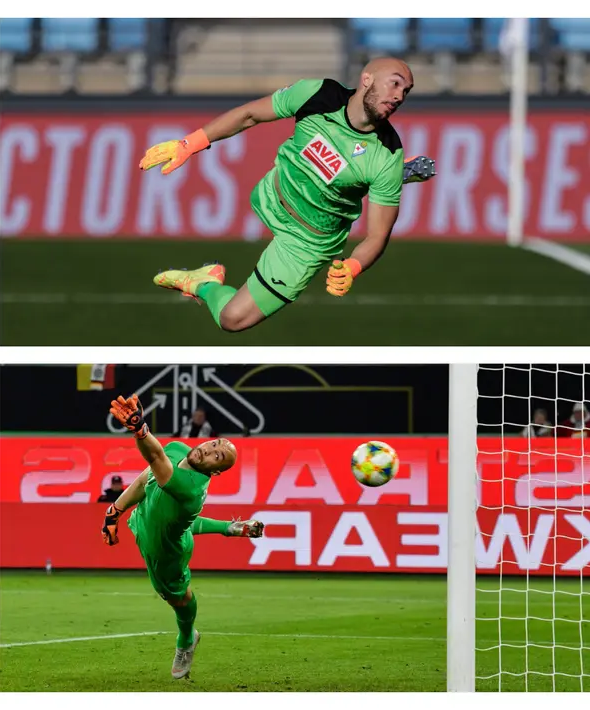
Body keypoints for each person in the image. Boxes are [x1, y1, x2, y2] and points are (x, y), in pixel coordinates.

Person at [140, 58, 437, 333]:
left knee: (233, 320)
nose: (399, 96)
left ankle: (202, 283)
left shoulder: (387, 154)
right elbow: (249, 115)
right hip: (272, 196)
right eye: (395, 83)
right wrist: (189, 143)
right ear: (366, 78)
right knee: (356, 172)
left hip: (308, 242)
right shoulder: (317, 94)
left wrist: (352, 267)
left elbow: (377, 237)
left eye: (406, 91)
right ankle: (382, 180)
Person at [102, 394, 264, 680]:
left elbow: (155, 456)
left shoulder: (190, 490)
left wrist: (141, 429)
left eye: (218, 456)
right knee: (173, 525)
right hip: (145, 522)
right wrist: (116, 510)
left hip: (167, 553)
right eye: (214, 444)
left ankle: (187, 638)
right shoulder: (178, 447)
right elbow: (144, 479)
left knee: (178, 598)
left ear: (215, 470)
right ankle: (231, 530)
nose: (209, 450)